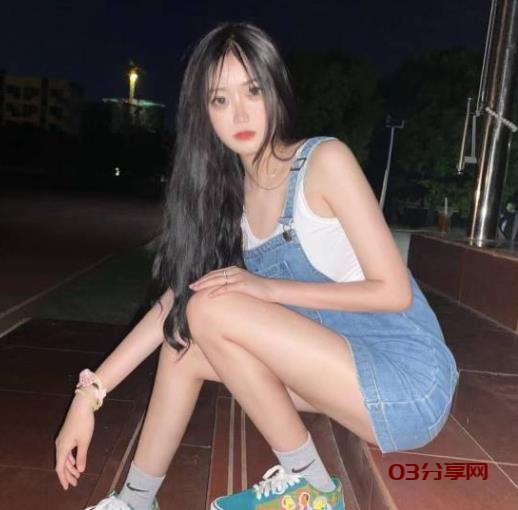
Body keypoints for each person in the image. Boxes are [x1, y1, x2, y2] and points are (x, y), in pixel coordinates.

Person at [55, 22, 459, 510]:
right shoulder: (231, 203)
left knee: (208, 309)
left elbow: (394, 292)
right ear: (204, 113)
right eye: (220, 99)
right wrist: (90, 394)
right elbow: (174, 303)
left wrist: (267, 289)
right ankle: (136, 500)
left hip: (408, 381)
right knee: (184, 342)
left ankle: (311, 485)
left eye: (252, 90)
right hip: (343, 374)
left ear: (275, 89)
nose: (240, 113)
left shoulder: (323, 163)